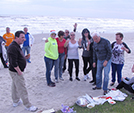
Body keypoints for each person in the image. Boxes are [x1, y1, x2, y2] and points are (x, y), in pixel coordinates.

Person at [7, 31, 38, 112]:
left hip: (14, 71)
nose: (24, 39)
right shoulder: (13, 47)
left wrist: (24, 58)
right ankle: (28, 105)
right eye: (22, 37)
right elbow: (13, 62)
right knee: (22, 88)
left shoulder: (17, 45)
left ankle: (15, 101)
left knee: (15, 86)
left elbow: (16, 57)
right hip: (16, 71)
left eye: (24, 37)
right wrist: (19, 71)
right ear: (16, 37)